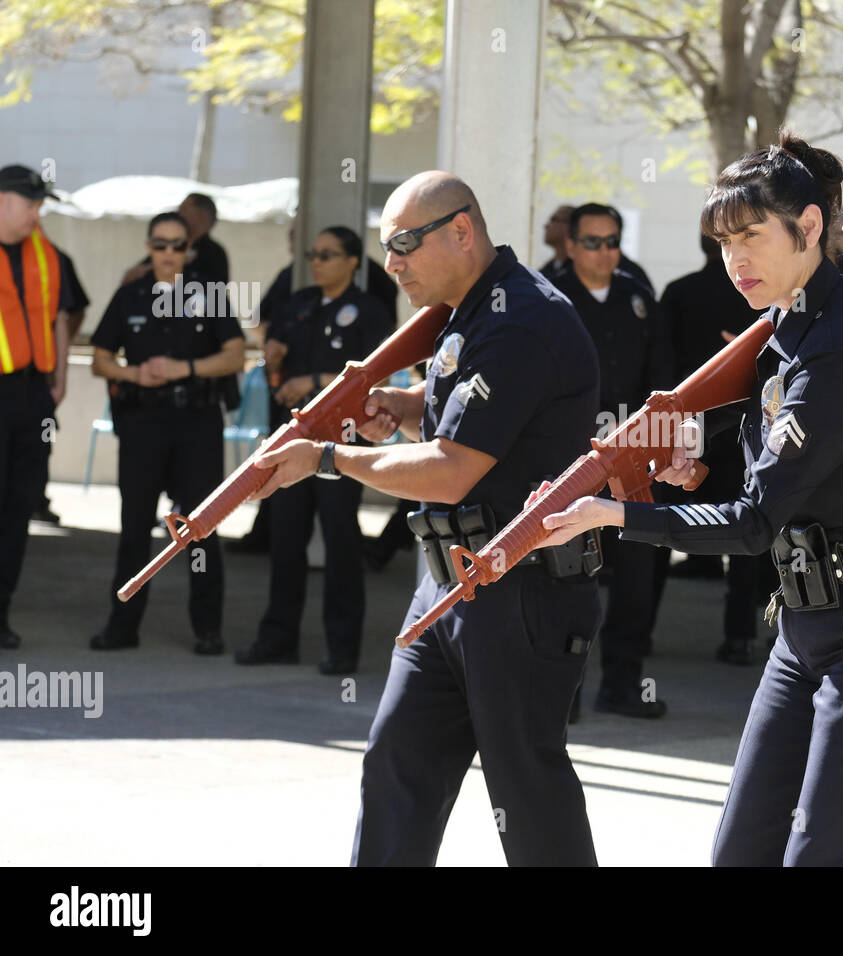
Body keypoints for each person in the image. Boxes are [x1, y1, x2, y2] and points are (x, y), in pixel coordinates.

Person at [534, 132, 843, 865]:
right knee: (745, 848)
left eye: (750, 237)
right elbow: (781, 474)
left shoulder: (840, 345)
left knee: (834, 853)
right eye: (722, 241)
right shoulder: (786, 325)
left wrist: (611, 514)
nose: (733, 260)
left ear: (809, 227)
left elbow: (753, 525)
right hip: (811, 620)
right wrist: (699, 472)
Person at [249, 171, 604, 866]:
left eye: (406, 243)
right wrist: (411, 406)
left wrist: (330, 458)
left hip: (519, 589)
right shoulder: (468, 311)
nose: (394, 263)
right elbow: (476, 421)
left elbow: (452, 471)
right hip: (447, 589)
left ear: (462, 231)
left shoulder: (522, 319)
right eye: (389, 247)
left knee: (528, 797)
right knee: (396, 772)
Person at [235, 226, 393, 674]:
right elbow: (272, 357)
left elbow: (374, 378)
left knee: (342, 541)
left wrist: (316, 382)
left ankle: (343, 649)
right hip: (290, 443)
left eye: (328, 254)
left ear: (352, 262)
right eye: (313, 253)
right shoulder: (297, 303)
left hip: (340, 447)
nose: (317, 262)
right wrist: (275, 358)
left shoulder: (369, 310)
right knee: (285, 541)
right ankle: (277, 637)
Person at [89, 212, 245, 653]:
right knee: (134, 527)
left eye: (179, 245)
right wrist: (135, 375)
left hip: (196, 423)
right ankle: (122, 627)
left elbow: (235, 355)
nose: (169, 253)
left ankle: (207, 630)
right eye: (161, 244)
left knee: (200, 528)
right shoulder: (130, 294)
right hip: (143, 424)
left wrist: (185, 368)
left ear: (189, 249)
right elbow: (100, 358)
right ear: (148, 245)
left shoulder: (207, 293)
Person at [553, 202, 672, 718]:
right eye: (593, 241)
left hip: (632, 463)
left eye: (612, 241)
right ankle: (564, 693)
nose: (604, 252)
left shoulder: (637, 298)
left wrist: (666, 448)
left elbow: (662, 380)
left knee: (636, 577)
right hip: (569, 460)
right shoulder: (548, 299)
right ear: (571, 245)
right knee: (571, 579)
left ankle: (622, 685)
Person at [659, 232, 764, 663]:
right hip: (742, 433)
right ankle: (738, 637)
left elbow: (660, 364)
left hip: (686, 430)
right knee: (747, 536)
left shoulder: (681, 293)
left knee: (657, 529)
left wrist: (664, 428)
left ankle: (640, 633)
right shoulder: (761, 299)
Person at [0, 164, 73, 649]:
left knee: (17, 507)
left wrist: (60, 379)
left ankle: (0, 611)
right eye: (30, 202)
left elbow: (60, 319)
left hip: (30, 395)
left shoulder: (47, 256)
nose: (36, 212)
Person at [32, 243, 90, 527]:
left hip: (37, 381)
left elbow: (73, 311)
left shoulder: (52, 257)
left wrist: (58, 368)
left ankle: (36, 499)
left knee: (41, 441)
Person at [122, 193, 230, 287]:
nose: (179, 213)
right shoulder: (170, 246)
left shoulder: (214, 254)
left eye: (183, 209)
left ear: (200, 216)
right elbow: (131, 277)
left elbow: (214, 295)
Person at [538, 204, 574, 283]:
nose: (546, 225)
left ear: (570, 226)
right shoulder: (544, 271)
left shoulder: (580, 271)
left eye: (553, 219)